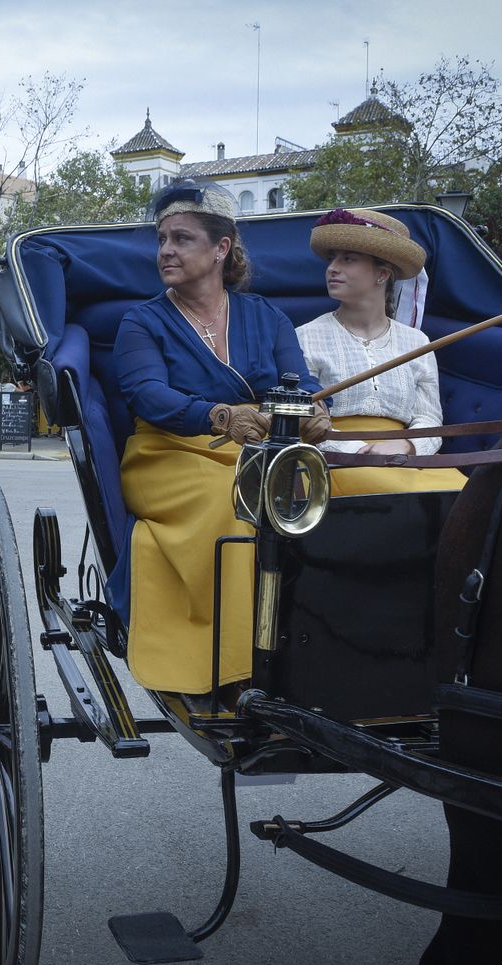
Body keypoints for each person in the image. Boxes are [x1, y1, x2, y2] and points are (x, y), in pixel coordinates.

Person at [114, 182, 330, 698]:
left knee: (339, 499)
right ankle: (237, 671)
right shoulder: (141, 321)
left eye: (182, 238)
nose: (165, 249)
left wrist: (316, 411)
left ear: (221, 249)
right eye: (162, 238)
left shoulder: (266, 316)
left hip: (261, 452)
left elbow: (299, 385)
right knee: (237, 505)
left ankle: (332, 649)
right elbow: (147, 395)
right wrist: (216, 415)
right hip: (168, 455)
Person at [295, 208, 467, 496]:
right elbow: (304, 421)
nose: (332, 268)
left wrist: (406, 446)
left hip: (409, 459)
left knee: (466, 494)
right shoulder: (305, 338)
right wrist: (360, 451)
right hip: (334, 461)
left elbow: (429, 420)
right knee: (396, 494)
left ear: (382, 274)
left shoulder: (417, 342)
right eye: (332, 258)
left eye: (347, 259)